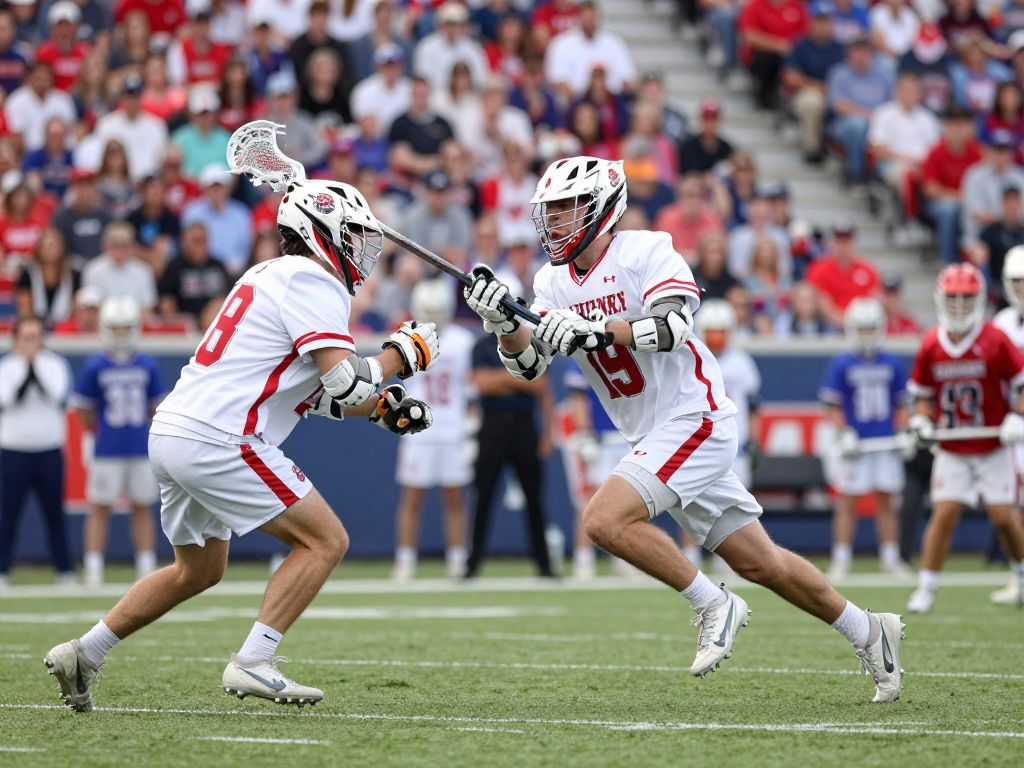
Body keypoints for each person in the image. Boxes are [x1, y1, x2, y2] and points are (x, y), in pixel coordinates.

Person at [462, 155, 904, 701]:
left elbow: (672, 324)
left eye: (563, 210)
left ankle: (712, 602)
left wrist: (594, 329)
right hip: (652, 435)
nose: (551, 223)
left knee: (601, 519)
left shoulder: (646, 250)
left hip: (695, 417)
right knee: (758, 561)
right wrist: (504, 325)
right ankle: (869, 630)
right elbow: (529, 366)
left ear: (600, 207)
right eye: (546, 212)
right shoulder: (550, 281)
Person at [43, 179, 440, 711]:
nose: (358, 247)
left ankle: (84, 652)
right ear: (319, 234)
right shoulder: (311, 279)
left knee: (199, 570)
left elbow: (313, 392)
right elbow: (346, 378)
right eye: (350, 234)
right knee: (325, 541)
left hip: (175, 433)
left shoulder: (267, 274)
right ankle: (254, 660)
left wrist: (380, 407)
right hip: (221, 436)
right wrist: (404, 352)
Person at [905, 264, 1024, 613]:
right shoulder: (931, 343)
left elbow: (1021, 384)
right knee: (945, 512)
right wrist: (922, 422)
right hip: (954, 447)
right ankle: (927, 586)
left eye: (966, 298)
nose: (959, 306)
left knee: (1003, 516)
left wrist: (1016, 415)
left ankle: (1020, 576)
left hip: (992, 444)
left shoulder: (994, 340)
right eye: (952, 299)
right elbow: (922, 396)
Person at [466, 278, 556, 580]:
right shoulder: (480, 345)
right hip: (492, 427)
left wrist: (547, 431)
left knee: (534, 498)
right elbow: (482, 384)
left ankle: (544, 565)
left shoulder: (529, 339)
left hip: (523, 427)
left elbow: (540, 384)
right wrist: (516, 380)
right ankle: (472, 564)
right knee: (483, 497)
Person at [73, 297, 164, 587]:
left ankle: (146, 564)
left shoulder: (147, 363)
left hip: (138, 445)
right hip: (108, 447)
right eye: (116, 328)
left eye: (126, 328)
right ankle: (94, 565)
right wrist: (101, 432)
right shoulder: (95, 364)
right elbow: (84, 410)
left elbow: (155, 407)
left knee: (142, 506)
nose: (121, 334)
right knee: (100, 507)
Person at [819, 298, 910, 580]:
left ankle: (891, 557)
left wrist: (903, 430)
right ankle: (841, 558)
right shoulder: (842, 362)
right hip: (855, 444)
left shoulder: (892, 361)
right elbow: (833, 405)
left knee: (887, 501)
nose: (867, 334)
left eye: (872, 328)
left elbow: (902, 404)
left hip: (884, 441)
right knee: (848, 502)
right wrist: (843, 432)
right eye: (863, 328)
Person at [392, 281, 475, 581]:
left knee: (454, 498)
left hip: (452, 428)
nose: (434, 316)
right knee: (412, 498)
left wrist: (471, 426)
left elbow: (469, 389)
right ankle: (405, 559)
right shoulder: (407, 338)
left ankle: (457, 557)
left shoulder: (462, 341)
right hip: (419, 430)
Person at [0, 316, 75, 587]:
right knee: (8, 515)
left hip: (48, 449)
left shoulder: (55, 364)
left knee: (54, 513)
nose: (31, 342)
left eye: (36, 336)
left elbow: (55, 396)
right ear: (16, 339)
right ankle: (3, 570)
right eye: (26, 337)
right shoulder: (6, 367)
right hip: (14, 450)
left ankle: (65, 570)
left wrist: (35, 367)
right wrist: (26, 368)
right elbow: (8, 399)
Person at [559, 361, 632, 580]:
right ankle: (583, 558)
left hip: (631, 434)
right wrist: (583, 432)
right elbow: (577, 397)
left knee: (631, 500)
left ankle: (625, 559)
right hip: (601, 436)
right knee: (591, 498)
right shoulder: (583, 347)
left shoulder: (633, 340)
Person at [991, 247, 1024, 605]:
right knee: (1009, 507)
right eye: (1018, 282)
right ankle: (1020, 576)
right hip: (1012, 427)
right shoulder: (1000, 325)